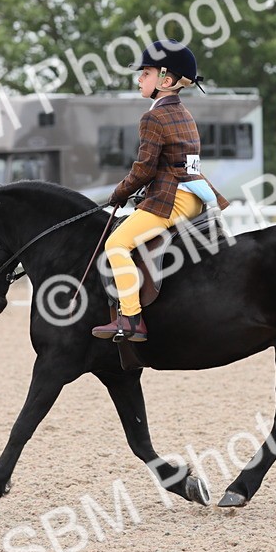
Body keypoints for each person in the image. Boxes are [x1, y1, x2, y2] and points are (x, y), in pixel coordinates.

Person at [90, 40, 229, 342]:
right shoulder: (184, 113)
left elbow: (144, 169)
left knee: (116, 245)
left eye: (146, 73)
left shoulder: (153, 117)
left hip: (170, 202)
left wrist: (119, 193)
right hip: (193, 198)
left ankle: (130, 319)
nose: (139, 78)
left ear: (165, 81)